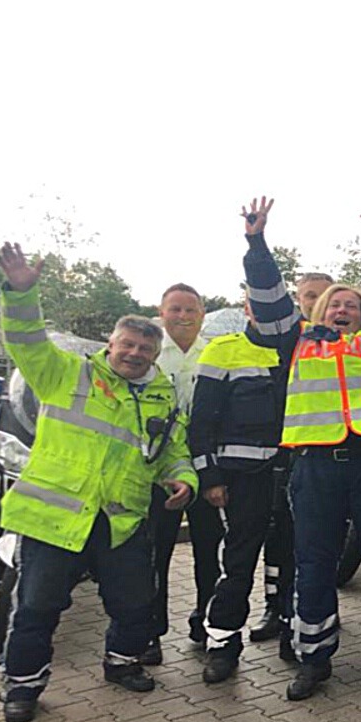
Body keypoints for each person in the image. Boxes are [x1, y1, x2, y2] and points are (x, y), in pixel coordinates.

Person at [0, 243, 197, 722]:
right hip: (56, 517)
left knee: (135, 602)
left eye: (145, 349)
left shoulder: (162, 395)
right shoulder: (66, 373)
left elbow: (172, 450)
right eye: (128, 345)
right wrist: (21, 293)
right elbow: (25, 340)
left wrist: (183, 479)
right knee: (37, 607)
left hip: (120, 519)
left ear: (155, 355)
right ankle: (23, 685)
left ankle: (122, 662)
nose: (135, 354)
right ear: (111, 344)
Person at [242, 196, 361, 702]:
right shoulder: (295, 340)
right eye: (334, 305)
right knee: (313, 563)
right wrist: (257, 244)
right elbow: (269, 300)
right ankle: (314, 660)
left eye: (352, 305)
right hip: (314, 466)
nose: (342, 310)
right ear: (319, 310)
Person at [191, 294, 292, 683]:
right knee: (237, 562)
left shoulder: (301, 347)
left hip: (292, 474)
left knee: (294, 559)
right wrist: (210, 477)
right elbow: (201, 421)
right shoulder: (223, 351)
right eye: (256, 305)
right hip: (242, 479)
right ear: (247, 309)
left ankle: (292, 633)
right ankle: (222, 644)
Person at [146, 283, 223, 663]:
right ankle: (150, 632)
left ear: (202, 315)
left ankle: (206, 623)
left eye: (190, 309)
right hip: (158, 471)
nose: (183, 316)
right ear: (161, 313)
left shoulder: (215, 354)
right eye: (174, 309)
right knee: (153, 554)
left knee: (210, 552)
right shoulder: (147, 353)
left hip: (206, 467)